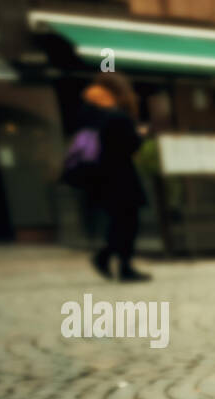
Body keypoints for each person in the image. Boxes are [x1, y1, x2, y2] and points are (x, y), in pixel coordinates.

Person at [78, 73, 150, 282]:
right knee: (127, 223)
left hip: (101, 178)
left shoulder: (92, 113)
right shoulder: (116, 116)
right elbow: (128, 146)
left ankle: (110, 258)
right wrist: (140, 136)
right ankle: (119, 264)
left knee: (119, 222)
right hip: (120, 177)